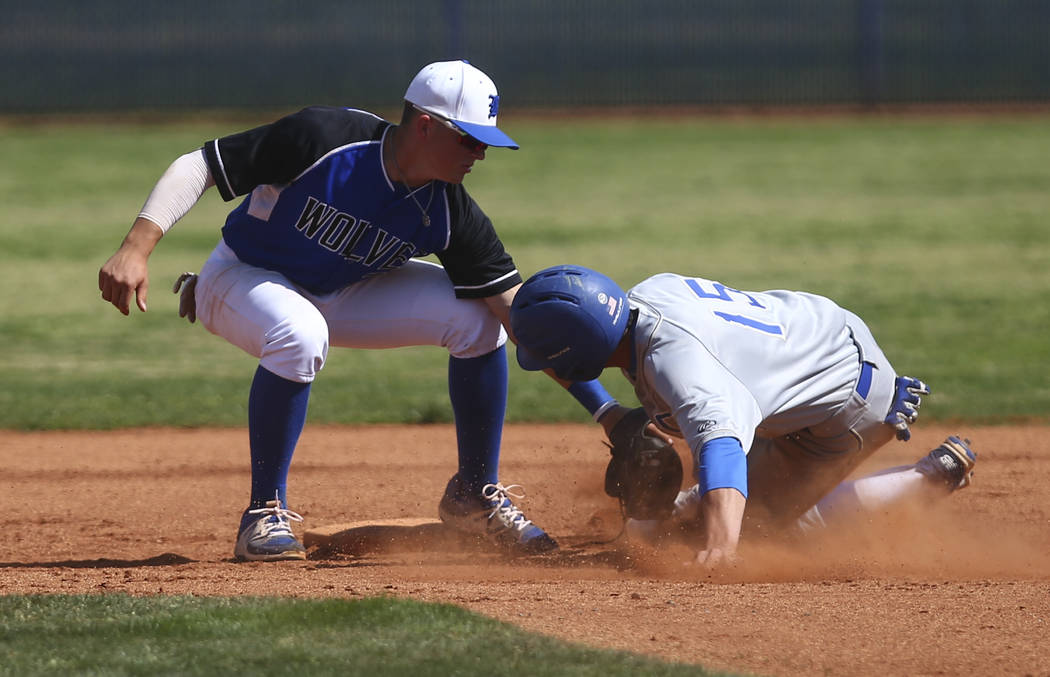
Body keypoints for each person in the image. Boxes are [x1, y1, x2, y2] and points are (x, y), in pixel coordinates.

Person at [97, 61, 629, 561]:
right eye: (470, 140)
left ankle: (473, 496)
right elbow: (201, 166)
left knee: (476, 319)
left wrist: (611, 414)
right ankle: (263, 513)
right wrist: (136, 248)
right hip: (242, 277)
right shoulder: (324, 138)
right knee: (299, 334)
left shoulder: (448, 206)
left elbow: (522, 319)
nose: (480, 155)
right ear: (425, 126)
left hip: (345, 292)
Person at [509, 265, 978, 568]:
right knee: (711, 496)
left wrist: (722, 549)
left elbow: (721, 448)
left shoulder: (681, 368)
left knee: (770, 532)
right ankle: (691, 508)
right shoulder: (644, 298)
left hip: (846, 407)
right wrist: (611, 413)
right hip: (819, 341)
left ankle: (927, 476)